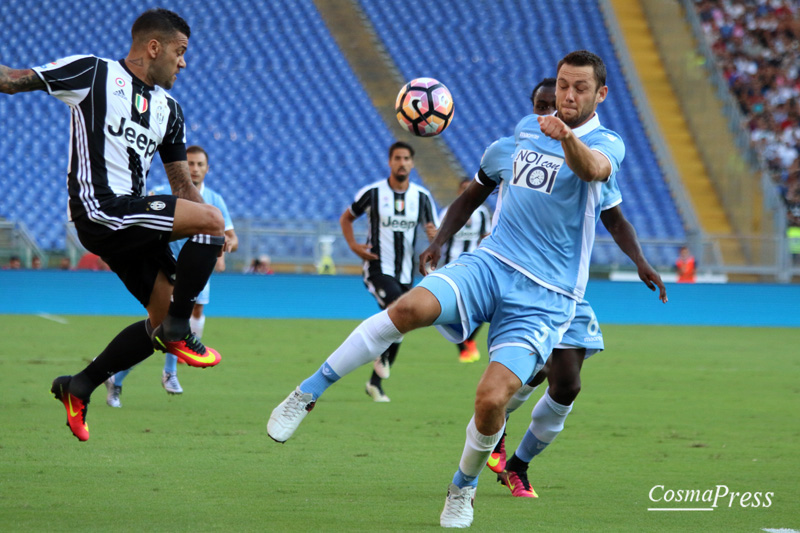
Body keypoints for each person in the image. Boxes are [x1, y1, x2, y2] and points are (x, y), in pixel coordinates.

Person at [268, 50, 634, 528]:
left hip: (546, 298)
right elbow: (473, 193)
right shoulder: (525, 129)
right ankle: (307, 392)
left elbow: (592, 170)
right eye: (563, 84)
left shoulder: (607, 143)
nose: (567, 95)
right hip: (490, 263)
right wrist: (439, 241)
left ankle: (462, 488)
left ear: (599, 94)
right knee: (406, 310)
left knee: (491, 399)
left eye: (579, 88)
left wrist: (567, 138)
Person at [0, 8, 226, 442]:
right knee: (210, 227)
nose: (184, 62)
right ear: (153, 47)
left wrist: (205, 228)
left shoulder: (170, 110)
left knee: (159, 324)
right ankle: (182, 329)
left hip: (132, 219)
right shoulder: (92, 72)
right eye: (180, 52)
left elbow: (182, 186)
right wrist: (211, 226)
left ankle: (80, 384)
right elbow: (11, 80)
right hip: (100, 209)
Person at [481, 78, 667, 498]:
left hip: (567, 288)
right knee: (522, 371)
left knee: (566, 385)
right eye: (542, 107)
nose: (551, 112)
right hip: (521, 283)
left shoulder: (590, 158)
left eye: (556, 105)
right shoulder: (517, 153)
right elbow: (476, 191)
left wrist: (641, 261)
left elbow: (615, 218)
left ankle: (518, 463)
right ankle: (491, 436)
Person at [106, 145, 238, 406]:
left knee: (192, 315)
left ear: (207, 168)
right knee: (160, 328)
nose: (195, 169)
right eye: (190, 163)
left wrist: (224, 249)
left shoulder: (215, 199)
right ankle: (138, 375)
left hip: (198, 270)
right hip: (167, 268)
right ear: (180, 167)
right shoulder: (161, 194)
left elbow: (231, 234)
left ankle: (158, 372)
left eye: (200, 164)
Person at [339, 141, 438, 402]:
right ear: (389, 162)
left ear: (412, 163)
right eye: (397, 158)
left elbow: (434, 232)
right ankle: (380, 358)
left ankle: (375, 383)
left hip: (407, 273)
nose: (402, 163)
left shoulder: (422, 197)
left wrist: (434, 237)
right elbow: (346, 217)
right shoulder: (372, 193)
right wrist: (353, 246)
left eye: (406, 158)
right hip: (377, 268)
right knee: (399, 309)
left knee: (402, 321)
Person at [439, 178, 491, 363]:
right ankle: (463, 347)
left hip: (474, 268)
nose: (467, 191)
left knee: (484, 308)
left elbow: (486, 236)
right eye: (463, 189)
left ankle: (467, 340)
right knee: (449, 309)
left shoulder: (482, 213)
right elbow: (440, 234)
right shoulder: (448, 212)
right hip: (451, 266)